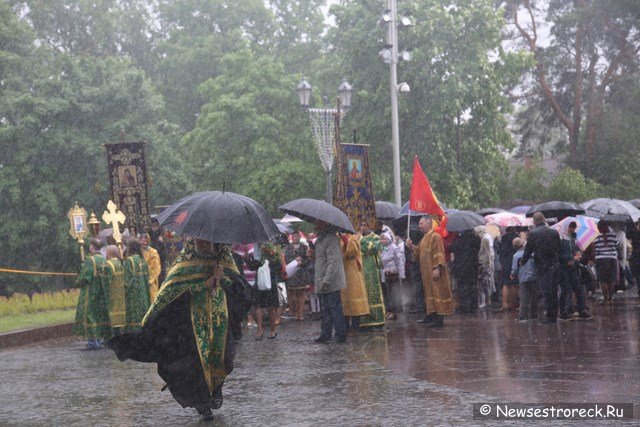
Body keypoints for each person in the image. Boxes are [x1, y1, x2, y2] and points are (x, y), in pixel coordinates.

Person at [107, 238, 251, 420]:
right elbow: (173, 292)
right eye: (201, 241)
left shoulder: (224, 258)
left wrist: (223, 279)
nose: (204, 244)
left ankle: (216, 388)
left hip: (219, 320)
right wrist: (203, 286)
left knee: (224, 358)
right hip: (190, 324)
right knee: (194, 365)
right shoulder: (185, 260)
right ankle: (203, 405)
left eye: (208, 241)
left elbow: (241, 289)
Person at [407, 216, 454, 327]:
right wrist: (411, 246)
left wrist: (437, 268)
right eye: (419, 224)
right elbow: (418, 252)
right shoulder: (424, 238)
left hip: (434, 272)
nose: (419, 226)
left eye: (421, 223)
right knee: (429, 293)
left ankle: (438, 319)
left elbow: (439, 253)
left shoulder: (435, 237)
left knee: (437, 292)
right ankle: (430, 316)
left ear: (429, 223)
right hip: (426, 273)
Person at [521, 212, 561, 324]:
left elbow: (528, 250)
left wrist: (523, 261)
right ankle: (554, 315)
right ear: (544, 219)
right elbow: (558, 248)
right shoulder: (554, 232)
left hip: (542, 265)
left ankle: (549, 316)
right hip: (554, 264)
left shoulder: (533, 233)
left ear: (534, 222)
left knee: (546, 291)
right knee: (553, 290)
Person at [312, 220, 347, 343]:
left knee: (334, 308)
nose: (315, 226)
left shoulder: (332, 239)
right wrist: (311, 254)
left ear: (324, 225)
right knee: (325, 309)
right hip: (322, 279)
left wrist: (326, 280)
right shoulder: (320, 240)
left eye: (318, 224)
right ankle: (325, 334)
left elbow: (333, 262)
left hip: (331, 281)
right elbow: (322, 260)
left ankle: (340, 334)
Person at [73, 239, 111, 349]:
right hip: (102, 293)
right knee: (100, 315)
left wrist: (78, 278)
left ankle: (93, 342)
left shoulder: (91, 260)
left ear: (91, 247)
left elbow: (85, 277)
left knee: (90, 315)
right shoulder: (105, 260)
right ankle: (100, 339)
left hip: (91, 292)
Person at [246, 242, 284, 339]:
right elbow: (252, 267)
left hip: (270, 283)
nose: (260, 245)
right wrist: (247, 259)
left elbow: (279, 266)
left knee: (271, 307)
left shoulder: (274, 251)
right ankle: (259, 330)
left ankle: (272, 330)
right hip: (259, 282)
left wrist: (269, 263)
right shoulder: (257, 253)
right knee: (258, 306)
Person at [558, 222, 593, 320]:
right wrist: (571, 257)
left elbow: (575, 249)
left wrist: (578, 253)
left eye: (574, 227)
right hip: (564, 268)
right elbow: (559, 254)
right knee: (566, 289)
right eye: (571, 227)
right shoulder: (560, 238)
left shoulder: (573, 238)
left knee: (579, 288)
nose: (572, 230)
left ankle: (581, 309)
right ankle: (564, 311)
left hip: (573, 267)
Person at [339, 232, 370, 333]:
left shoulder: (352, 238)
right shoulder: (338, 238)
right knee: (344, 302)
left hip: (353, 274)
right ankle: (345, 326)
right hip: (343, 273)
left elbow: (352, 253)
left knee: (354, 300)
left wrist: (346, 241)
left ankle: (355, 327)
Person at [358, 221, 386, 328]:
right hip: (360, 270)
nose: (363, 227)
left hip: (371, 270)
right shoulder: (356, 237)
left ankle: (377, 319)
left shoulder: (375, 237)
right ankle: (363, 321)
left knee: (373, 295)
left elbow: (371, 249)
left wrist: (360, 239)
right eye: (361, 225)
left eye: (365, 225)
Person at [449, 229, 481, 314]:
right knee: (473, 286)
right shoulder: (476, 239)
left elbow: (451, 248)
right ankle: (473, 306)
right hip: (473, 266)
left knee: (462, 287)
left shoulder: (458, 240)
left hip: (461, 266)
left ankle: (464, 306)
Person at [123, 239, 151, 332]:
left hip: (133, 295)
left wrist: (124, 291)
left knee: (134, 316)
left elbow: (127, 281)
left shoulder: (129, 261)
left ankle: (133, 332)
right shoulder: (143, 261)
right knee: (143, 314)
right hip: (144, 293)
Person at [284, 231, 310, 321]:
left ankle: (301, 312)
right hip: (292, 273)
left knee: (302, 293)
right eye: (295, 236)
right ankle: (296, 312)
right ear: (292, 237)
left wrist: (301, 261)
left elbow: (308, 258)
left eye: (298, 236)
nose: (296, 238)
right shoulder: (288, 247)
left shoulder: (304, 247)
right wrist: (294, 260)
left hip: (302, 272)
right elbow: (286, 258)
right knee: (293, 294)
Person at [510, 238, 537, 321]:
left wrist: (512, 274)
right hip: (534, 276)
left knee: (524, 297)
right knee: (533, 296)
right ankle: (533, 315)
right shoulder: (532, 253)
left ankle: (522, 316)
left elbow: (515, 268)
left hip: (523, 277)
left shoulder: (516, 255)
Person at [593, 220, 619, 304]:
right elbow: (617, 244)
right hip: (612, 258)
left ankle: (605, 299)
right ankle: (611, 299)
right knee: (611, 279)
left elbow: (594, 246)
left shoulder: (596, 236)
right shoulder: (613, 235)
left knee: (603, 280)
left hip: (600, 259)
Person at [380, 231, 404, 320]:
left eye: (384, 239)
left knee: (393, 293)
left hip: (393, 274)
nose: (382, 241)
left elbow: (399, 260)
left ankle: (395, 312)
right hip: (385, 274)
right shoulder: (382, 248)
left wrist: (401, 274)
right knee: (386, 293)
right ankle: (389, 311)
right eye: (381, 239)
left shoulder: (394, 247)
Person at [103, 245, 126, 334]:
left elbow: (105, 284)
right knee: (118, 324)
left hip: (111, 297)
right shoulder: (120, 264)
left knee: (111, 322)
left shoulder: (108, 264)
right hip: (120, 297)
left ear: (109, 253)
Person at [475, 226, 495, 309]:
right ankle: (485, 301)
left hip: (484, 264)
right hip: (483, 264)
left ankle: (485, 301)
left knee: (483, 284)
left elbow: (487, 252)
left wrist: (488, 263)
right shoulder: (482, 239)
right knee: (483, 284)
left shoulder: (484, 240)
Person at [139, 233, 161, 302]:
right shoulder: (138, 252)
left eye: (146, 241)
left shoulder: (153, 252)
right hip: (141, 280)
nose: (144, 243)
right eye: (142, 241)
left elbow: (156, 268)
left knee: (152, 299)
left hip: (151, 281)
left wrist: (149, 280)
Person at [629, 220, 640, 297]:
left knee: (638, 274)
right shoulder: (635, 233)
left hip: (636, 256)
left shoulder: (635, 232)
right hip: (636, 256)